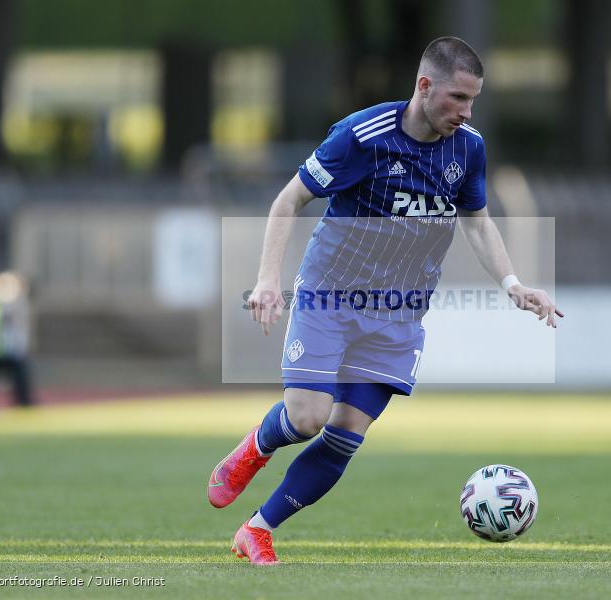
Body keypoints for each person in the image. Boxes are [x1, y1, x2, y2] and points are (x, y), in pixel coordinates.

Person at [208, 36, 563, 565]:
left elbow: (477, 222)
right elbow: (289, 200)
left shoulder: (468, 147)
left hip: (399, 311)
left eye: (473, 101)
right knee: (307, 417)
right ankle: (255, 447)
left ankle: (258, 529)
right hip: (331, 294)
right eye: (457, 99)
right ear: (424, 86)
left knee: (346, 434)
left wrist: (513, 284)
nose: (465, 113)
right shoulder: (361, 136)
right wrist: (266, 280)